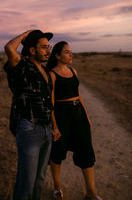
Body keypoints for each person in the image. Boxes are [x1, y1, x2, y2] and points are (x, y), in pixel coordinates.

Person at [46, 41, 102, 200]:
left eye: (71, 51)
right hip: (62, 118)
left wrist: (87, 117)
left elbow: (78, 96)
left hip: (79, 116)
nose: (71, 54)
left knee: (86, 152)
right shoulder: (52, 74)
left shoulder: (73, 71)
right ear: (57, 55)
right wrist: (55, 125)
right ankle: (57, 189)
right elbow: (50, 102)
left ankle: (91, 192)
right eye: (66, 52)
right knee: (57, 153)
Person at [3, 30, 55, 200]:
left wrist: (54, 126)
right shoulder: (22, 66)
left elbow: (49, 103)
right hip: (30, 128)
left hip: (47, 129)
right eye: (44, 47)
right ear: (32, 50)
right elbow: (10, 48)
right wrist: (26, 34)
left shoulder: (45, 72)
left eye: (49, 47)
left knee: (40, 179)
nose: (48, 51)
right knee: (27, 182)